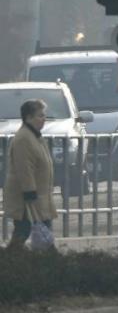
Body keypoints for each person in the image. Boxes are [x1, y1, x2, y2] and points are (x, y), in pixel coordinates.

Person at [4, 99, 54, 250]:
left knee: (37, 230)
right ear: (28, 117)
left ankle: (48, 261)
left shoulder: (34, 136)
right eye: (40, 115)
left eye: (44, 115)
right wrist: (29, 192)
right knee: (26, 230)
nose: (43, 119)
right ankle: (10, 262)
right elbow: (24, 168)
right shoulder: (24, 139)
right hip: (28, 198)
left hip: (38, 196)